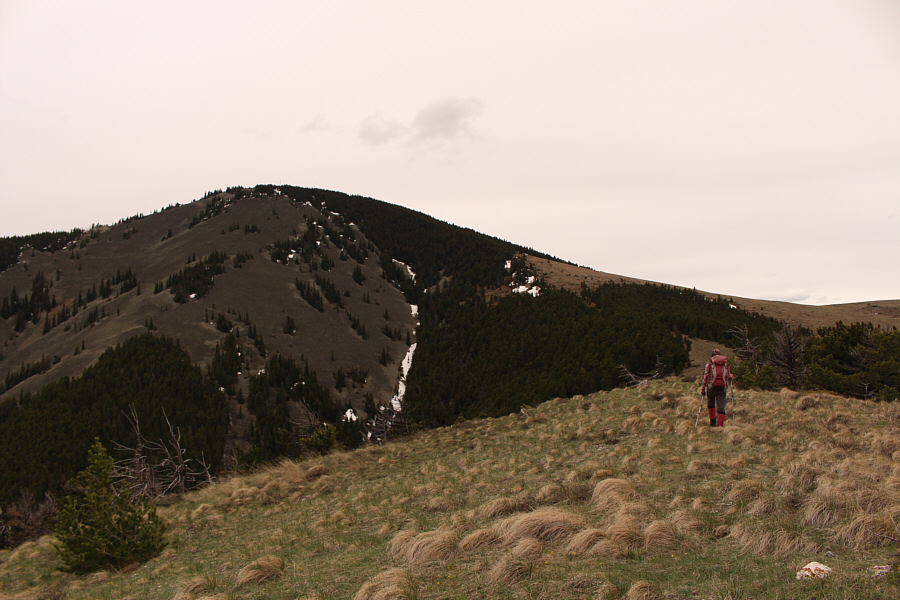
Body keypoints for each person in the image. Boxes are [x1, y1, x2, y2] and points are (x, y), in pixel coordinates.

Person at [701, 349, 733, 427]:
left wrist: (703, 389)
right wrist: (731, 377)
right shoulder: (725, 364)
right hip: (722, 388)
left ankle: (712, 422)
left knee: (711, 404)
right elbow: (729, 376)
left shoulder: (709, 364)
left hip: (711, 387)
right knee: (721, 407)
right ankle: (720, 425)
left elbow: (705, 377)